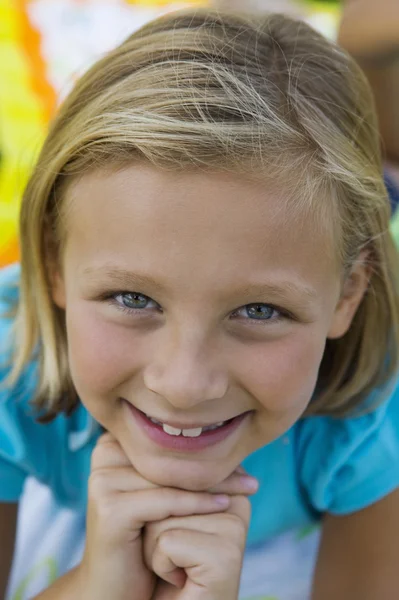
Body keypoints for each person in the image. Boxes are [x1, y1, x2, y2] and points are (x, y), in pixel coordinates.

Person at [1, 7, 399, 599]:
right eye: (132, 297)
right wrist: (99, 584)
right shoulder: (12, 369)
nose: (185, 385)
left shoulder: (371, 404)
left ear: (347, 295)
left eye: (259, 311)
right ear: (53, 265)